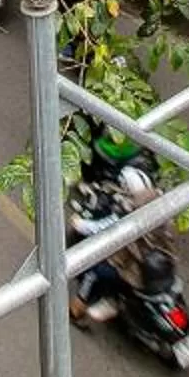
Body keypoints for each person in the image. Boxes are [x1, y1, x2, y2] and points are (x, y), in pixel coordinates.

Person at [69, 133, 161, 325]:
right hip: (158, 261)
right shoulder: (162, 205)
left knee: (96, 272)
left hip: (134, 265)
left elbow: (105, 228)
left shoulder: (130, 214)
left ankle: (76, 311)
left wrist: (81, 224)